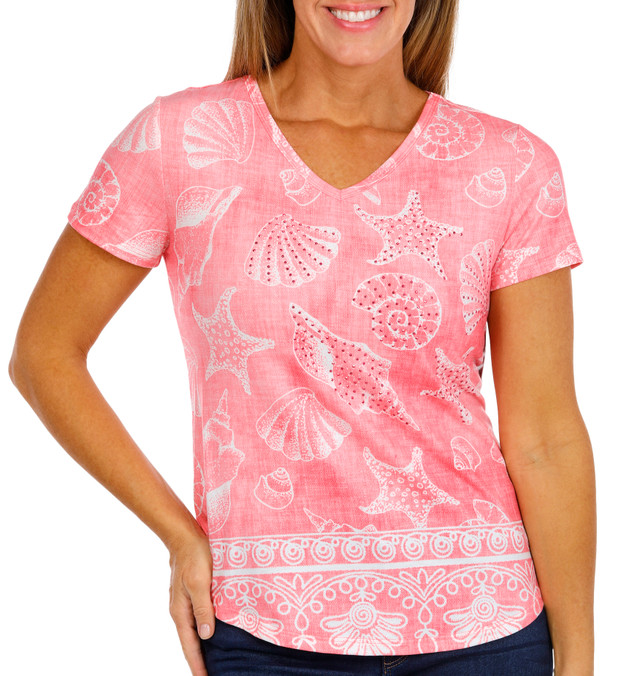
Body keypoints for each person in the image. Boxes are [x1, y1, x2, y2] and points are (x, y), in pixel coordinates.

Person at [8, 0, 596, 674]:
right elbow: (43, 354)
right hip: (261, 626)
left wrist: (578, 658)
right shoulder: (178, 142)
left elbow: (545, 438)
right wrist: (179, 535)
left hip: (487, 621)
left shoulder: (512, 165)